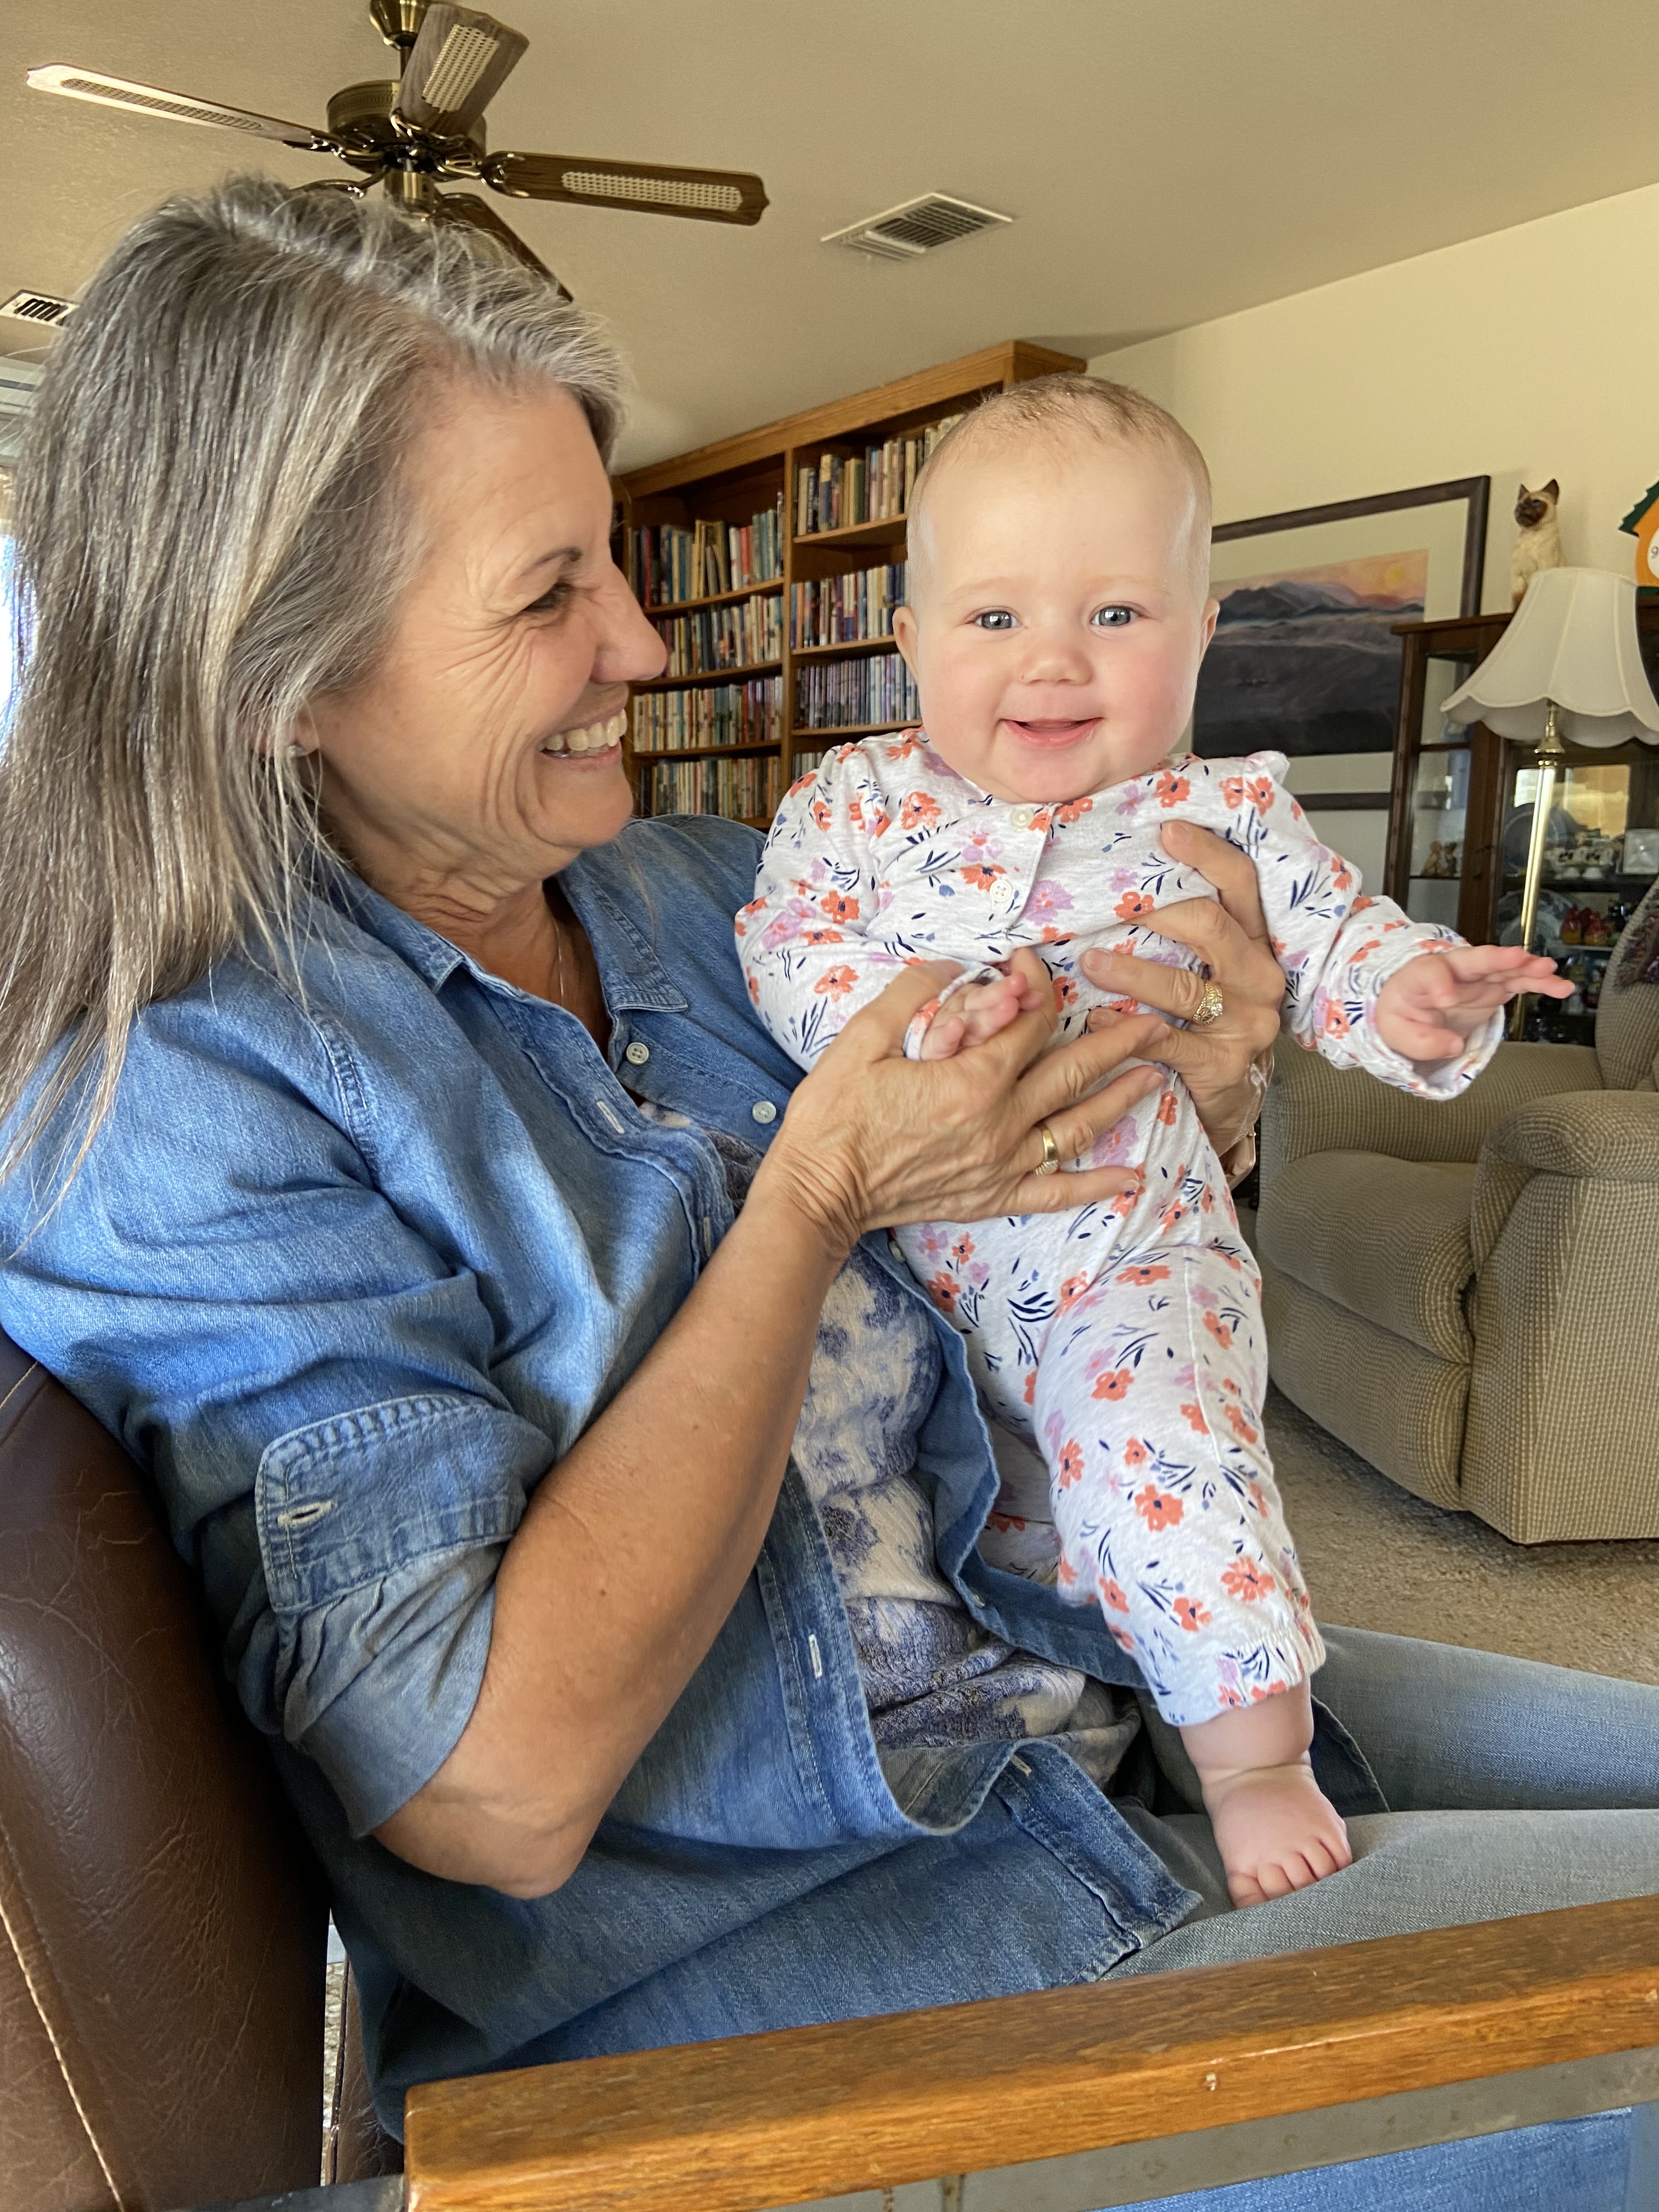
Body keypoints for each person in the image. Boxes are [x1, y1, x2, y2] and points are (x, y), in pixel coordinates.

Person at [0, 182, 1654, 2207]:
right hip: (860, 1973)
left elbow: (1054, 1214)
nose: (641, 642)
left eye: (619, 561)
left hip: (1096, 1658)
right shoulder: (168, 1110)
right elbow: (491, 1787)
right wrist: (817, 1197)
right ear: (283, 675)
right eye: (548, 595)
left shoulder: (707, 892)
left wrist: (1212, 1090)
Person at [738, 375, 1569, 1909]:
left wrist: (1420, 1000)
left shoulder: (1226, 814)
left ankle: (1251, 1758)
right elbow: (786, 944)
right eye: (995, 618)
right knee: (980, 1508)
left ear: (1201, 636)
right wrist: (910, 1020)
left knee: (1166, 1463)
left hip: (1128, 1247)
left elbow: (1340, 947)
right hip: (900, 1263)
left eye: (1116, 614)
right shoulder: (851, 805)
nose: (1053, 659)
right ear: (909, 641)